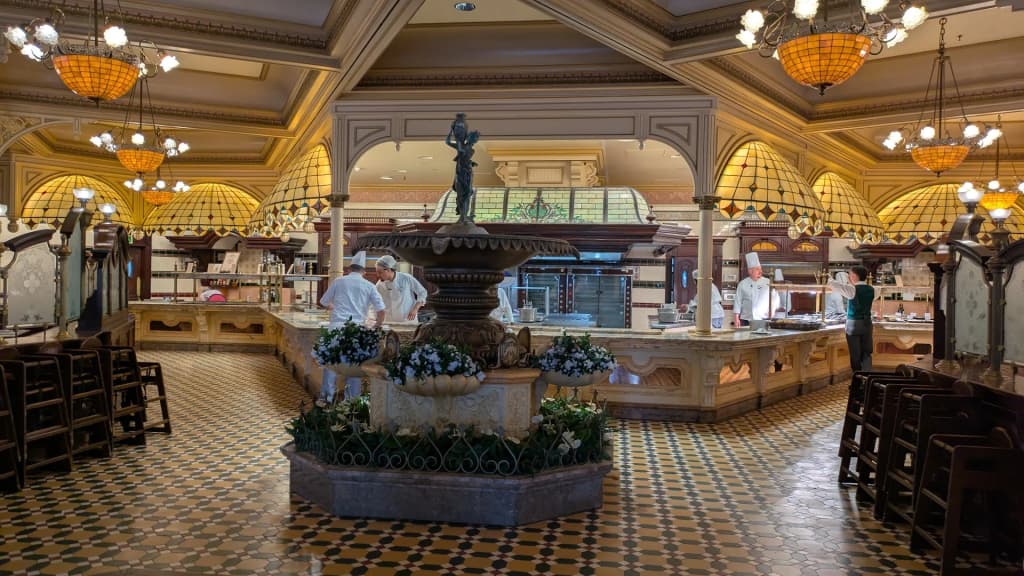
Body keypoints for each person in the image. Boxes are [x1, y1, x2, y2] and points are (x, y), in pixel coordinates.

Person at [319, 251, 386, 402]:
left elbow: (323, 302)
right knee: (354, 366)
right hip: (356, 330)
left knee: (331, 365)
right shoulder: (369, 285)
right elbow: (381, 311)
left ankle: (326, 400)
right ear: (363, 271)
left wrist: (334, 307)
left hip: (335, 329)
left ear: (349, 269)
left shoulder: (338, 281)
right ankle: (352, 402)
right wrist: (376, 326)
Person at [829, 265, 875, 373]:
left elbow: (834, 285)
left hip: (854, 325)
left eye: (849, 275)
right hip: (867, 324)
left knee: (855, 354)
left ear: (854, 276)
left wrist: (828, 278)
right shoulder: (872, 289)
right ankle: (867, 377)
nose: (848, 277)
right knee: (867, 352)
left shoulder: (852, 289)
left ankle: (857, 379)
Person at [374, 255, 427, 323]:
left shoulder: (406, 278)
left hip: (408, 320)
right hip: (389, 321)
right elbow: (375, 302)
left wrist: (415, 309)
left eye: (380, 272)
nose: (378, 275)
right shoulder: (379, 285)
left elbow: (422, 292)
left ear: (388, 269)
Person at [734, 252, 779, 328]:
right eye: (757, 269)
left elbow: (775, 298)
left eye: (760, 269)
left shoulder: (767, 282)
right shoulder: (742, 283)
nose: (760, 271)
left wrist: (772, 310)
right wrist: (736, 318)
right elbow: (737, 301)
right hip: (746, 319)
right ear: (750, 271)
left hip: (763, 318)